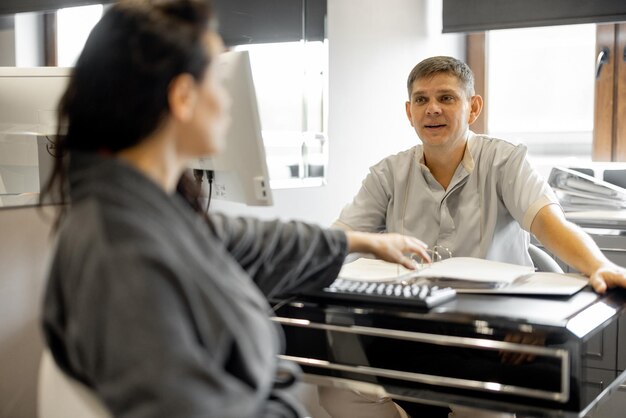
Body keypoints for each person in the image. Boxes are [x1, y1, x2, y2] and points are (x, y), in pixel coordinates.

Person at [39, 1, 432, 417]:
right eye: (217, 81)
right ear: (183, 97)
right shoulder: (123, 253)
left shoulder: (144, 214)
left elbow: (239, 238)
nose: (227, 101)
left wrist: (359, 240)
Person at [322, 56, 626, 417]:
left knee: (482, 404)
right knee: (335, 392)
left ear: (473, 107)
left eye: (446, 98)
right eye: (421, 100)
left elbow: (550, 224)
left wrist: (599, 264)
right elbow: (341, 238)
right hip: (412, 329)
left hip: (494, 333)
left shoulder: (505, 160)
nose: (432, 109)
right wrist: (285, 257)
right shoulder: (388, 173)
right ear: (409, 111)